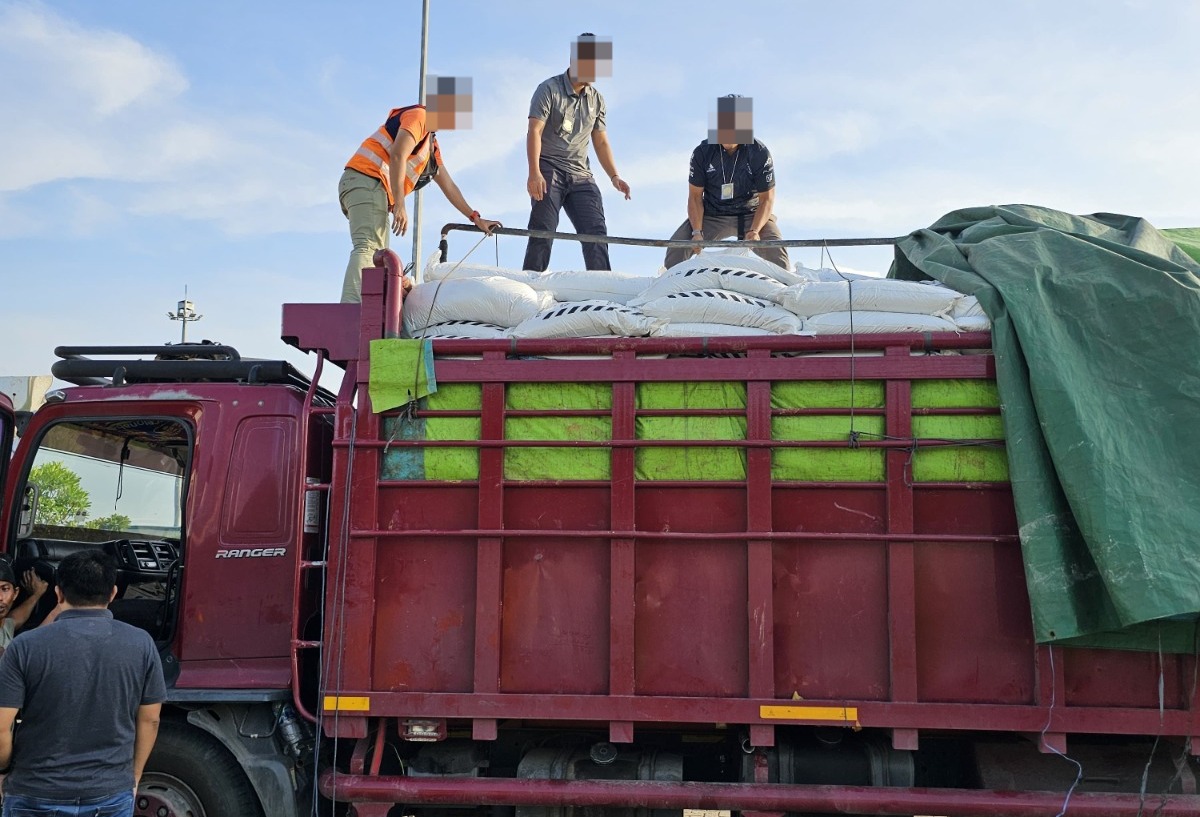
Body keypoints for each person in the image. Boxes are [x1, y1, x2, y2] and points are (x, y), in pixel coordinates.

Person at [0, 550, 166, 815]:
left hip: (34, 793)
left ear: (59, 594)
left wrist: (4, 771)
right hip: (111, 794)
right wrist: (133, 779)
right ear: (112, 593)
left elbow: (1, 726)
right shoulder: (142, 644)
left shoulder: (24, 647)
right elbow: (150, 720)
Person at [340, 75, 501, 303]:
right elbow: (398, 155)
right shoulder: (420, 117)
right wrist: (400, 205)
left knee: (378, 257)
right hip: (365, 180)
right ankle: (351, 309)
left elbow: (449, 186)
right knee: (368, 247)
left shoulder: (431, 146)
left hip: (370, 188)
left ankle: (368, 310)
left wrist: (476, 218)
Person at [523, 33, 630, 272]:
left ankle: (602, 288)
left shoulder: (597, 99)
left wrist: (615, 176)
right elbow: (534, 131)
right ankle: (530, 284)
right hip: (549, 169)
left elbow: (600, 141)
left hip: (581, 175)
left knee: (596, 232)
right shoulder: (548, 89)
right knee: (543, 229)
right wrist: (534, 173)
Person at [663, 95, 789, 271]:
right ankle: (672, 290)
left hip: (751, 213)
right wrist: (697, 232)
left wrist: (754, 231)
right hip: (712, 213)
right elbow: (695, 197)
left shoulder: (759, 152)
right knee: (676, 249)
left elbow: (767, 199)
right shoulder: (702, 152)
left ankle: (781, 291)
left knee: (777, 252)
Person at [0, 563, 48, 653]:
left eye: (5, 589)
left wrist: (37, 594)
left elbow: (16, 618)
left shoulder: (4, 626)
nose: (0, 597)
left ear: (15, 593)